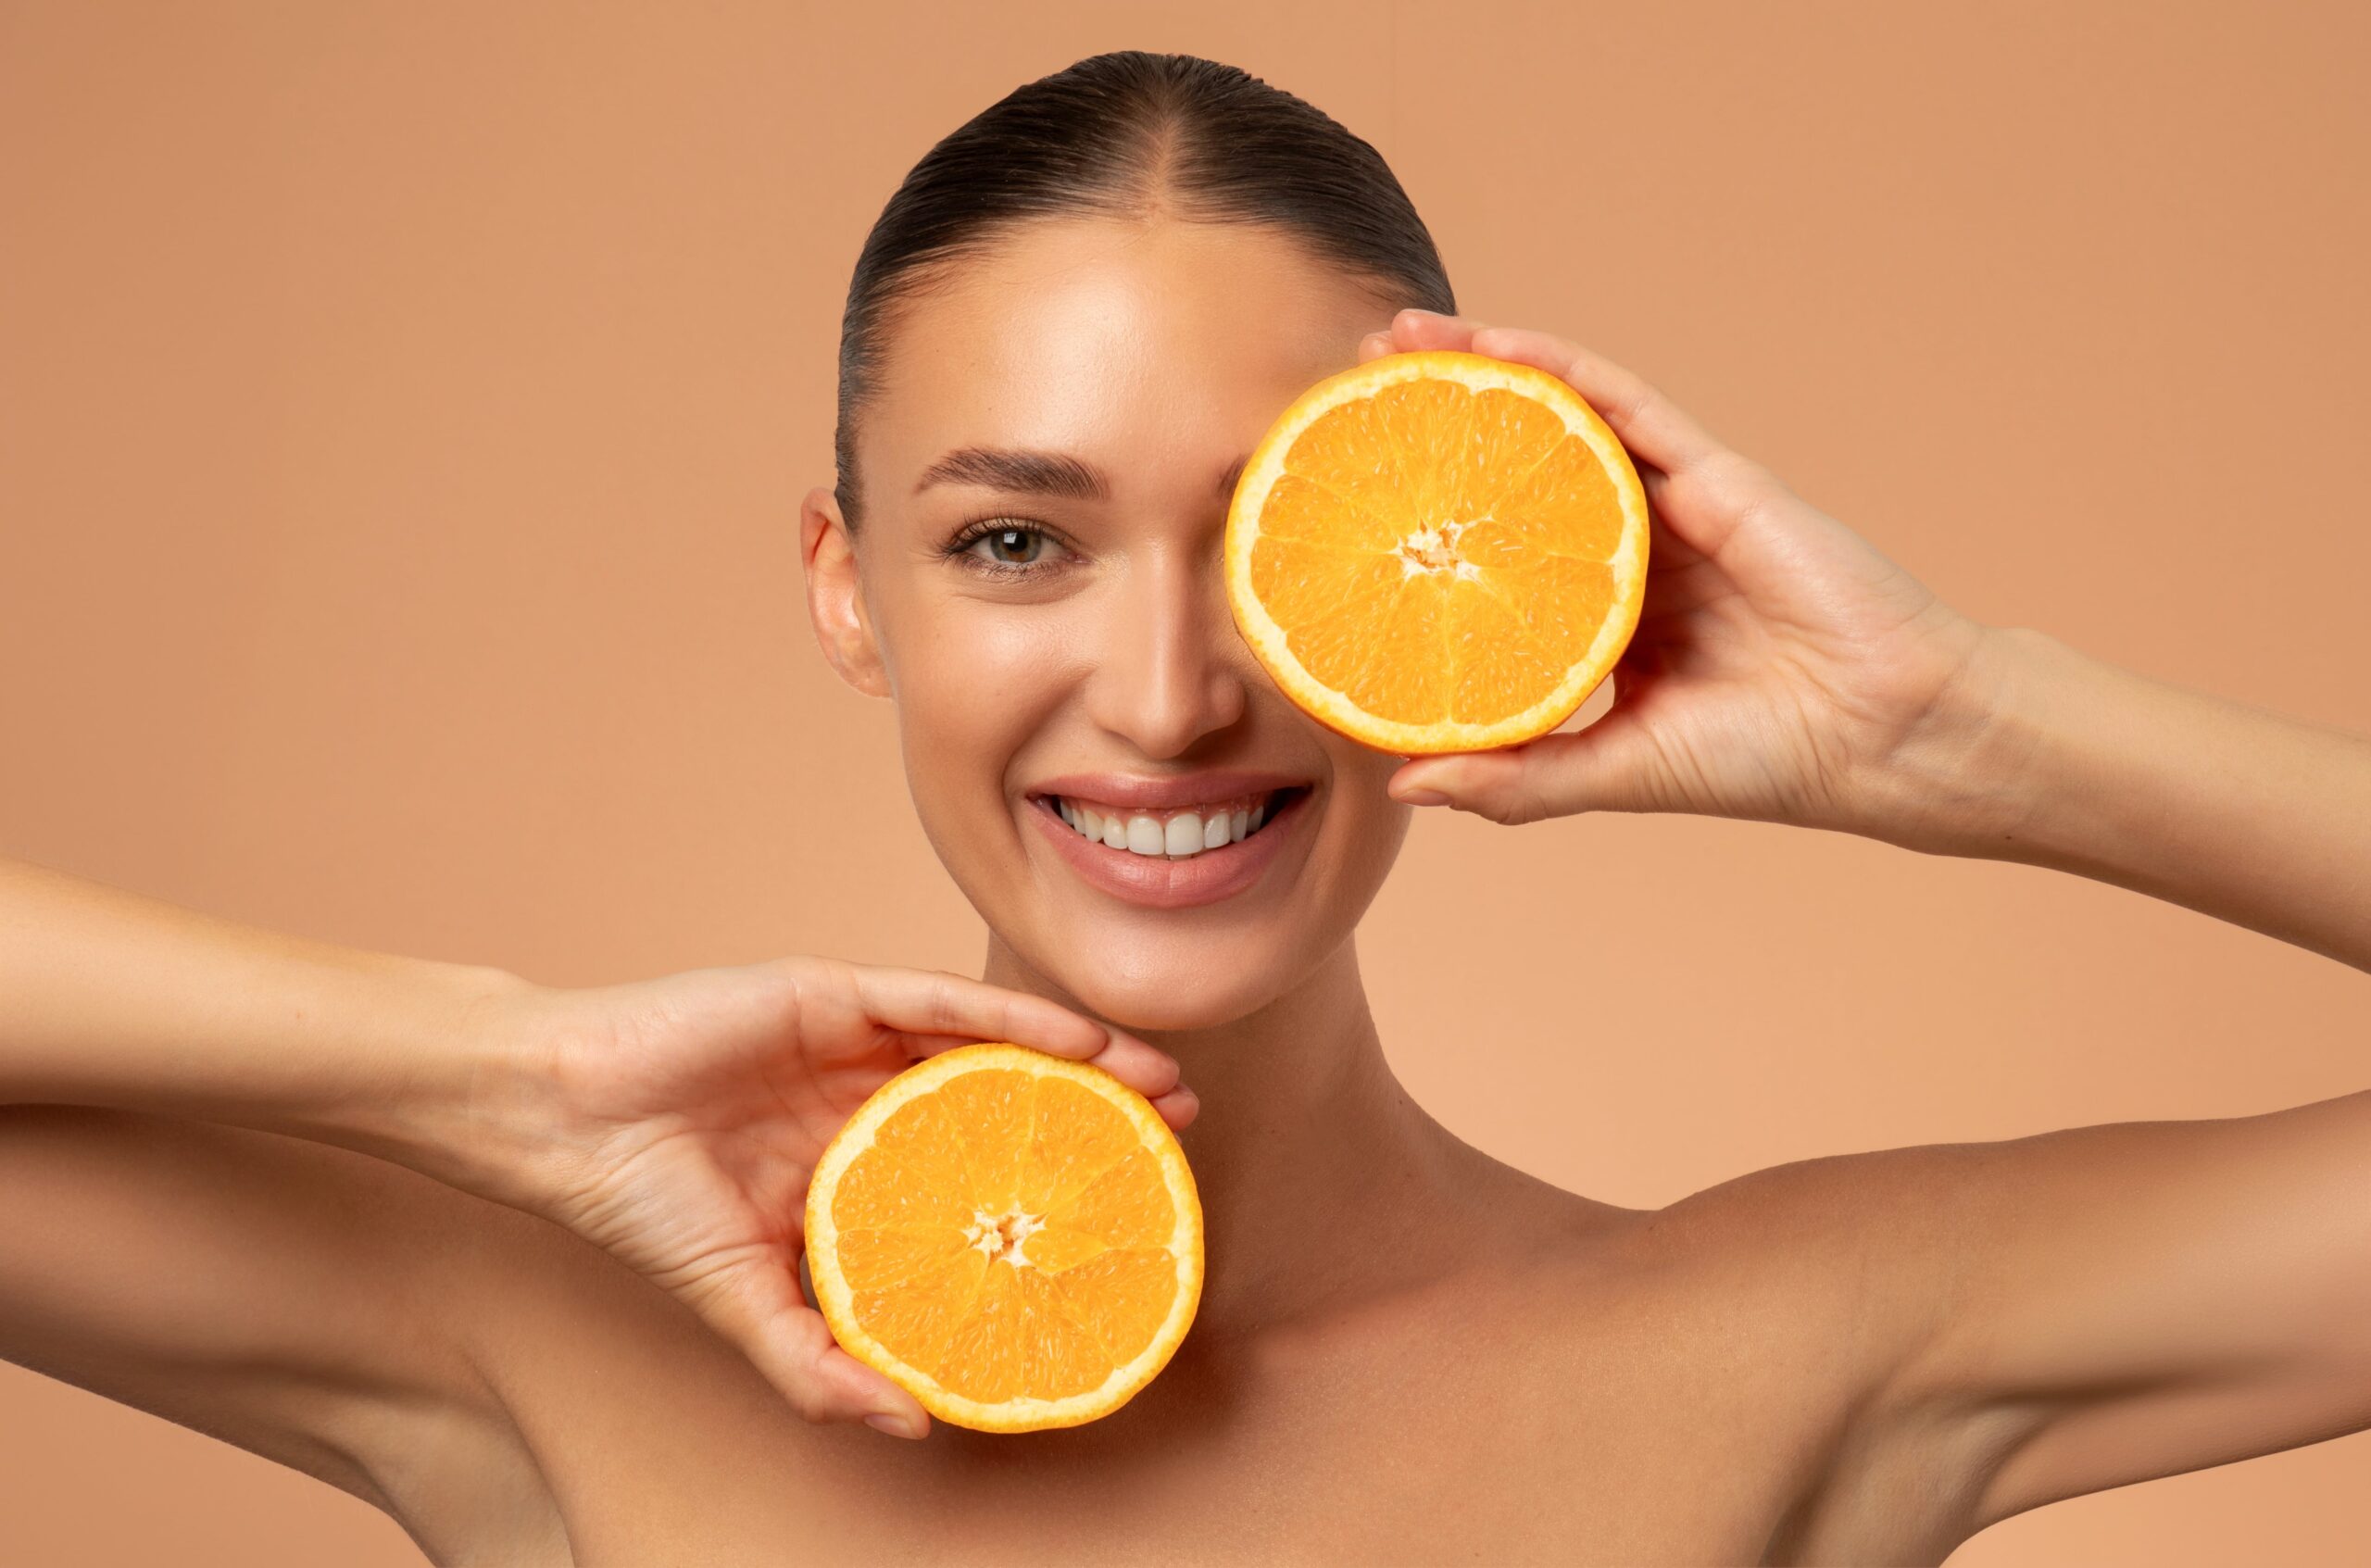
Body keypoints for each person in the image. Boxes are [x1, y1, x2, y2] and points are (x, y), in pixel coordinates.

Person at [4, 47, 2366, 1566]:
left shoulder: (1791, 1346)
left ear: (1462, 576)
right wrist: (501, 1071)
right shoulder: (535, 1343)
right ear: (851, 590)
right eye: (1014, 539)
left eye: (1270, 543)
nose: (1162, 693)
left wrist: (1953, 727)